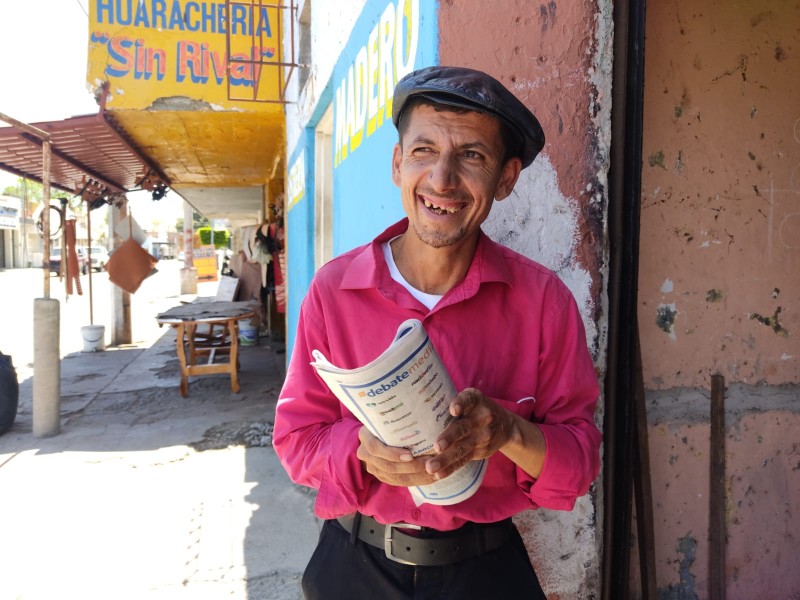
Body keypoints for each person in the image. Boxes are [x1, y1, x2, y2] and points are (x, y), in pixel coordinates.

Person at [273, 65, 601, 600]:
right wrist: (356, 448)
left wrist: (508, 432)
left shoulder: (543, 303)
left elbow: (580, 463)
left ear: (506, 178)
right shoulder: (334, 291)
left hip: (486, 573)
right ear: (399, 163)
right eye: (423, 151)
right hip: (355, 566)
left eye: (472, 156)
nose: (442, 179)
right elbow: (294, 439)